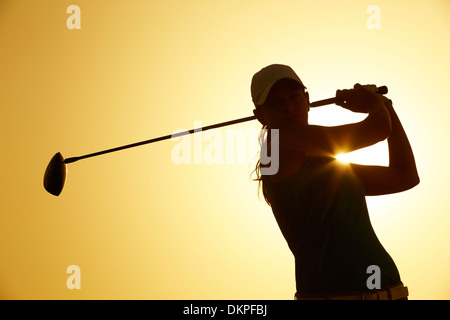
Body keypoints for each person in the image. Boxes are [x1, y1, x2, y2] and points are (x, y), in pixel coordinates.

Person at [251, 64, 419, 300]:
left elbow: (405, 175)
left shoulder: (329, 169)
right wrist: (372, 103)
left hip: (391, 293)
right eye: (276, 103)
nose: (289, 107)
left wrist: (386, 106)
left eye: (294, 97)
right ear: (260, 115)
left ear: (307, 99)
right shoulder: (279, 145)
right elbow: (377, 129)